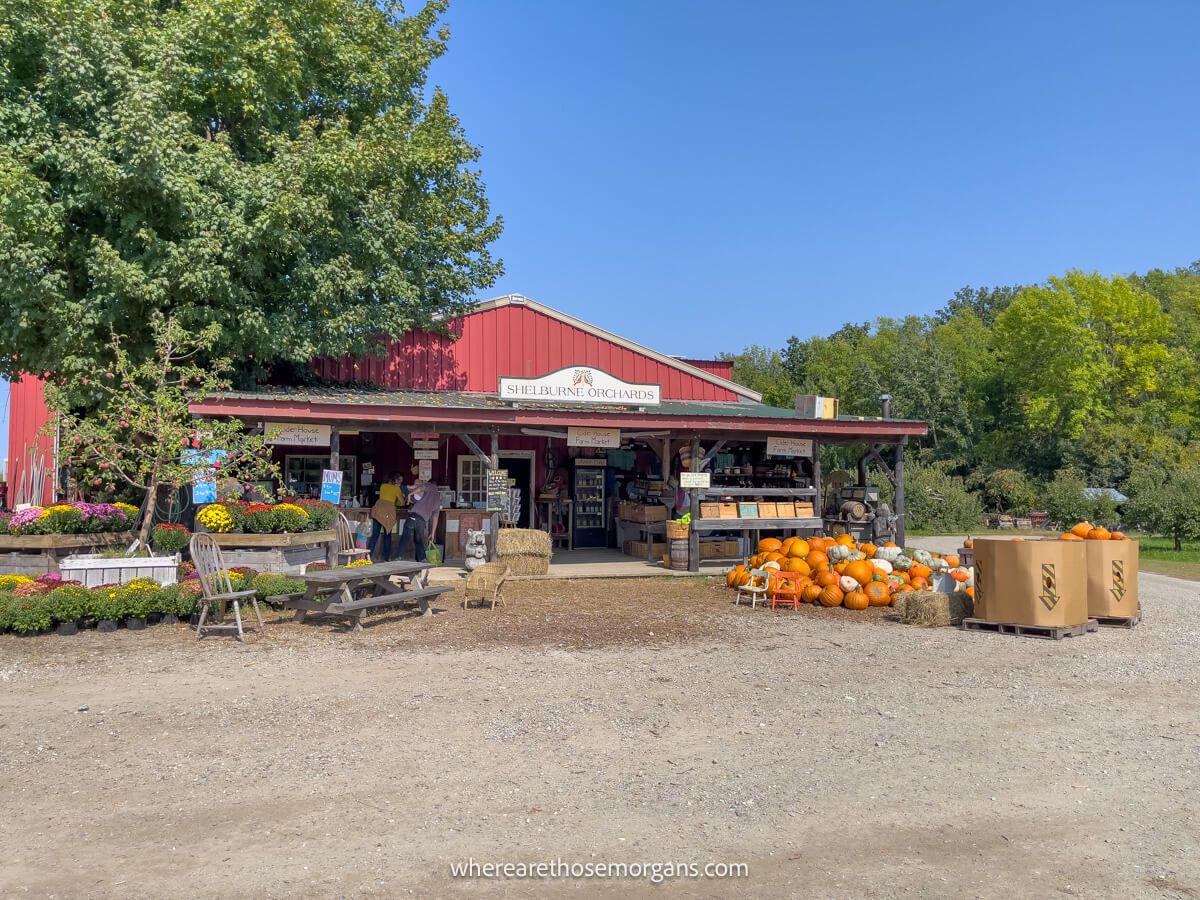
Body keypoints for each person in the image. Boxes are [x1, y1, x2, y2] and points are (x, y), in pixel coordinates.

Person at [401, 474, 442, 563]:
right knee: (418, 540)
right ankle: (422, 559)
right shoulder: (438, 499)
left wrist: (410, 494)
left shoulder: (429, 486)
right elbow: (435, 518)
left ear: (430, 484)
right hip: (422, 520)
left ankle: (399, 557)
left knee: (405, 537)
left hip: (414, 515)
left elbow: (421, 488)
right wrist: (432, 533)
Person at [368, 473, 404, 561]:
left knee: (374, 536)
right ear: (395, 480)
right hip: (388, 512)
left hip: (379, 510)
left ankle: (367, 557)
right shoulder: (396, 488)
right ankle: (387, 558)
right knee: (387, 535)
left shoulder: (383, 486)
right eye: (398, 480)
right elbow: (402, 502)